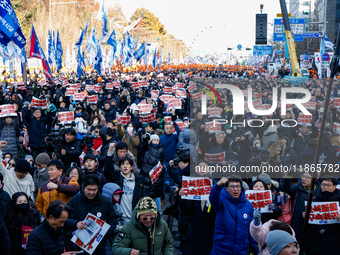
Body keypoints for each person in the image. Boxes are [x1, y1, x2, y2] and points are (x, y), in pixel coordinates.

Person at [65, 174, 119, 255]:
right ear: (84, 187)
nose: (91, 192)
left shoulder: (105, 202)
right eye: (89, 189)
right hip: (77, 245)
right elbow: (65, 219)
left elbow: (113, 220)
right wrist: (76, 223)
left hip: (98, 246)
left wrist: (105, 234)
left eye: (94, 190)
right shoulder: (74, 201)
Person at [209, 176, 257, 255]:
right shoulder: (221, 200)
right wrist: (217, 186)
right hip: (222, 249)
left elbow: (252, 226)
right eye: (232, 186)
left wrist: (253, 245)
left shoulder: (248, 205)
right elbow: (213, 198)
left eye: (238, 186)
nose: (235, 189)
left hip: (241, 249)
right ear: (226, 188)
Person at [178, 160, 216, 255]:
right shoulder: (190, 185)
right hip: (193, 232)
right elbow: (185, 208)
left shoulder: (216, 186)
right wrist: (182, 197)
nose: (202, 169)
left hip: (210, 233)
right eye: (200, 167)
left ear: (210, 169)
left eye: (205, 167)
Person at [304, 176, 340, 254]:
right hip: (317, 242)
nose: (325, 187)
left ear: (334, 186)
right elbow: (308, 227)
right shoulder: (313, 200)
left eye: (329, 185)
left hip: (336, 242)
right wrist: (305, 217)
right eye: (323, 184)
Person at [282, 171, 320, 244]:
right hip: (298, 225)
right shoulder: (296, 188)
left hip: (314, 226)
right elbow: (286, 188)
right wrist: (288, 176)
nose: (304, 179)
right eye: (303, 176)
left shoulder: (319, 191)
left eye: (307, 177)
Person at [104, 157, 145, 222]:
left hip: (134, 217)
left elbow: (143, 197)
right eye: (123, 164)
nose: (125, 166)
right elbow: (108, 170)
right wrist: (109, 153)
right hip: (120, 217)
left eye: (127, 164)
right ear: (120, 167)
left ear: (131, 167)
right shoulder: (116, 178)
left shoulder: (138, 180)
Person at [140, 134, 165, 212]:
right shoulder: (147, 148)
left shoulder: (161, 150)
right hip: (147, 174)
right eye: (154, 140)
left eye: (157, 140)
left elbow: (163, 161)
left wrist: (163, 168)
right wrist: (144, 138)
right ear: (151, 141)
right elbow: (144, 145)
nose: (156, 142)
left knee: (157, 194)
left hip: (157, 175)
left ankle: (158, 212)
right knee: (147, 194)